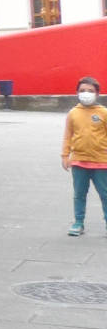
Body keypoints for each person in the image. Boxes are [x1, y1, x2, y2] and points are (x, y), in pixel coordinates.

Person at [61, 76, 107, 236]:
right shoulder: (73, 113)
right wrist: (65, 155)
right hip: (79, 162)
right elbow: (68, 135)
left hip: (102, 163)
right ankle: (78, 222)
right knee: (79, 194)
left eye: (90, 91)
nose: (86, 93)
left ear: (98, 94)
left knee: (105, 194)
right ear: (76, 93)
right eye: (82, 91)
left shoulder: (103, 113)